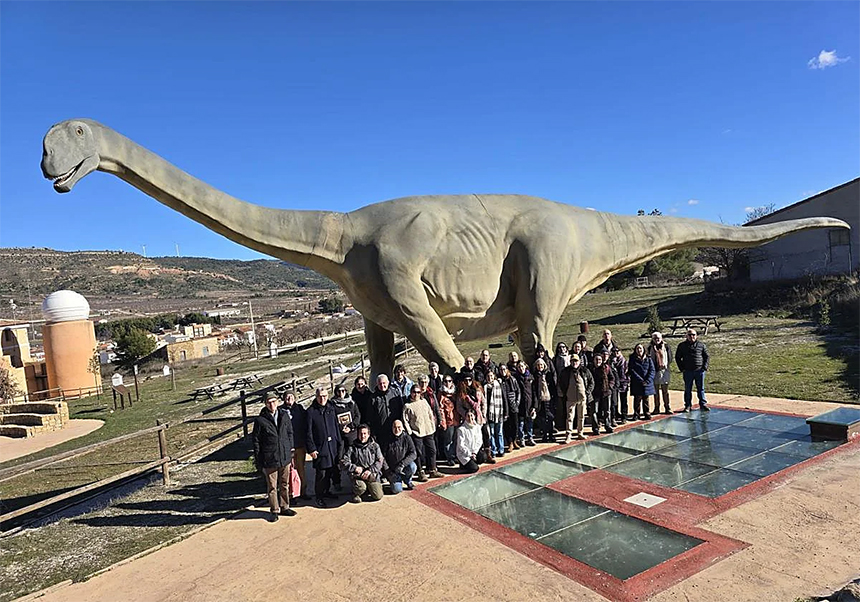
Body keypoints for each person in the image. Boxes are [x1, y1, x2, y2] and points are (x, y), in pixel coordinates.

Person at [252, 392, 296, 522]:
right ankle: (274, 510)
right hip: (269, 458)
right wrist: (259, 459)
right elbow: (256, 441)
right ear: (265, 404)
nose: (272, 404)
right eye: (269, 402)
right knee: (272, 486)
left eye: (274, 401)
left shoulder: (284, 415)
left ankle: (285, 506)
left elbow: (290, 433)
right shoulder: (260, 420)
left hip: (284, 456)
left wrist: (290, 449)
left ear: (277, 402)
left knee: (284, 484)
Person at [306, 388, 343, 507]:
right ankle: (319, 496)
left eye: (325, 396)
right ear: (316, 397)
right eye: (320, 396)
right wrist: (311, 449)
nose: (323, 398)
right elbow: (308, 432)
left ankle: (327, 492)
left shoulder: (331, 409)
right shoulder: (311, 412)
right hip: (320, 448)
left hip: (332, 446)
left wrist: (338, 442)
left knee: (330, 470)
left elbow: (336, 427)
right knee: (321, 474)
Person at [403, 385, 444, 480]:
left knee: (432, 450)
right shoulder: (407, 406)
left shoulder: (424, 401)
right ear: (411, 393)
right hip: (417, 432)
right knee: (418, 453)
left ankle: (432, 469)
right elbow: (405, 420)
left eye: (418, 392)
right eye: (414, 392)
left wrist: (433, 425)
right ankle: (420, 471)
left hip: (428, 430)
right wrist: (410, 432)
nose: (416, 394)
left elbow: (430, 413)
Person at [341, 424, 384, 503]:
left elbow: (380, 461)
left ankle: (370, 488)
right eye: (360, 433)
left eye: (364, 433)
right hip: (358, 476)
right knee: (361, 487)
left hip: (371, 474)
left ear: (368, 434)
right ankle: (356, 493)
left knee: (378, 496)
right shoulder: (352, 447)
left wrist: (370, 470)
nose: (362, 436)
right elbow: (344, 461)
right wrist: (354, 468)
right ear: (357, 434)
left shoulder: (375, 446)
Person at [331, 385, 360, 491]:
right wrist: (341, 428)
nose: (341, 393)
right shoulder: (332, 404)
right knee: (338, 458)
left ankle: (355, 480)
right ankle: (337, 481)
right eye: (338, 391)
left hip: (352, 434)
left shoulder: (351, 402)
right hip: (339, 435)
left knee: (354, 457)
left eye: (343, 390)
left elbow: (357, 416)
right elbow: (332, 420)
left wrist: (351, 426)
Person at [559, 353, 593, 442]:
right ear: (570, 362)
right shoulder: (565, 372)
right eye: (573, 361)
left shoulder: (585, 370)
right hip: (570, 398)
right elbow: (560, 383)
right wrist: (564, 393)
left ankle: (580, 433)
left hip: (582, 398)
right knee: (569, 417)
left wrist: (587, 392)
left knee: (581, 416)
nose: (574, 363)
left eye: (576, 361)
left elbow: (591, 382)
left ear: (579, 361)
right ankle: (568, 435)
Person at [282, 392, 309, 500]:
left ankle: (303, 491)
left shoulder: (300, 409)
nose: (289, 399)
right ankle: (291, 494)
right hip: (288, 446)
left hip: (299, 444)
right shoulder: (281, 411)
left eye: (291, 397)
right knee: (288, 471)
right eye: (287, 397)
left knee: (301, 469)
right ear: (284, 399)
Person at [675, 328, 710, 412]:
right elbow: (677, 357)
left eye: (693, 335)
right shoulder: (682, 345)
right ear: (686, 336)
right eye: (689, 335)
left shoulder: (701, 345)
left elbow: (706, 357)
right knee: (688, 389)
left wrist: (704, 367)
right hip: (687, 371)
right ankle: (687, 405)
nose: (691, 336)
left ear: (696, 336)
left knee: (700, 388)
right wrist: (682, 368)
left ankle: (703, 404)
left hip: (699, 371)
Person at [383, 419, 418, 493]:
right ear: (392, 428)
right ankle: (396, 481)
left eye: (399, 427)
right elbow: (382, 457)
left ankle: (407, 480)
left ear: (402, 428)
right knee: (397, 490)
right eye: (394, 427)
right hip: (393, 470)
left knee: (413, 467)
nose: (397, 429)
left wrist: (402, 464)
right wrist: (388, 472)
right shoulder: (387, 439)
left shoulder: (407, 438)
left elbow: (413, 453)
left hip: (404, 467)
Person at [647, 331, 673, 415]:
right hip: (654, 372)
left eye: (658, 338)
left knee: (665, 391)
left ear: (661, 338)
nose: (657, 339)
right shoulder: (649, 348)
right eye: (655, 338)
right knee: (656, 392)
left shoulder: (666, 346)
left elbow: (670, 357)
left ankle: (667, 407)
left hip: (664, 371)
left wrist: (665, 365)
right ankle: (656, 408)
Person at [484, 370, 508, 459]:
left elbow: (504, 398)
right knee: (492, 433)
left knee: (500, 433)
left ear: (494, 376)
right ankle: (493, 450)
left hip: (499, 413)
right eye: (488, 376)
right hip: (490, 414)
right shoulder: (485, 387)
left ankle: (501, 449)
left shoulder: (499, 385)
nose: (490, 378)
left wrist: (506, 412)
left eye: (491, 376)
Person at [628, 343, 656, 420]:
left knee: (646, 399)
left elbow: (652, 370)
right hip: (637, 383)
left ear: (644, 350)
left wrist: (647, 380)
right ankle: (636, 414)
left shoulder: (648, 359)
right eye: (637, 348)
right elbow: (632, 370)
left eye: (640, 348)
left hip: (647, 382)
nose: (639, 350)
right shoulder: (632, 359)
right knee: (637, 399)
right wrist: (640, 380)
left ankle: (647, 413)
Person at [498, 363, 522, 450]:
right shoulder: (499, 381)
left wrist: (517, 402)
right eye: (501, 370)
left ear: (507, 369)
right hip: (504, 406)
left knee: (515, 424)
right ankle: (510, 442)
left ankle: (515, 440)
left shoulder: (512, 379)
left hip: (513, 405)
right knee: (507, 425)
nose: (503, 371)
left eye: (504, 369)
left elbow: (518, 391)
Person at [367, 374, 397, 444]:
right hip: (381, 431)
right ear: (377, 384)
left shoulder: (395, 393)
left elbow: (400, 408)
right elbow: (370, 416)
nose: (382, 385)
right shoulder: (373, 398)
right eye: (380, 384)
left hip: (395, 428)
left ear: (388, 382)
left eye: (384, 383)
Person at [436, 374, 459, 466]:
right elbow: (440, 409)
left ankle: (455, 456)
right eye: (445, 381)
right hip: (448, 420)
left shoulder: (455, 392)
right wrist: (443, 421)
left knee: (455, 439)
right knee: (448, 440)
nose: (447, 383)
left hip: (456, 418)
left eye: (449, 381)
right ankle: (450, 457)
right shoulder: (441, 393)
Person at [533, 358, 557, 443]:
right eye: (538, 365)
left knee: (550, 417)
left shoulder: (548, 374)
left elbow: (553, 386)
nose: (540, 367)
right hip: (540, 399)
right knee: (542, 418)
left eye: (541, 365)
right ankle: (545, 435)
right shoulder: (535, 376)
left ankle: (551, 434)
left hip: (549, 398)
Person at [589, 353, 615, 434]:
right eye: (596, 359)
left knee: (607, 411)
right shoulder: (590, 369)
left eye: (599, 359)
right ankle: (595, 428)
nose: (598, 361)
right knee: (594, 411)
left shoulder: (606, 368)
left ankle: (608, 426)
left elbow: (612, 378)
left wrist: (609, 387)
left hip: (606, 392)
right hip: (594, 393)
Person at [514, 359, 536, 446]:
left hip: (529, 403)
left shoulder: (530, 377)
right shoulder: (516, 378)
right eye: (519, 367)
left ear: (525, 366)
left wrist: (534, 405)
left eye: (522, 366)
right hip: (520, 404)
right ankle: (521, 438)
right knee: (521, 423)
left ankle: (530, 438)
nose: (521, 368)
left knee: (530, 422)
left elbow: (534, 392)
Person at [610, 347, 630, 425]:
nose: (616, 353)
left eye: (617, 351)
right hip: (614, 383)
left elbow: (628, 372)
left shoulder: (624, 361)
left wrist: (627, 381)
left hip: (623, 383)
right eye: (614, 351)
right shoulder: (610, 361)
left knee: (624, 400)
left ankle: (624, 416)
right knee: (614, 401)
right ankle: (615, 415)